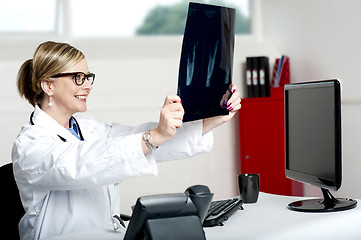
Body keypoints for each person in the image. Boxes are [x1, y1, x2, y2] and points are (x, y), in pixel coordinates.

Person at [12, 41, 241, 239]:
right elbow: (78, 164)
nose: (88, 85)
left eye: (89, 77)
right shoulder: (30, 144)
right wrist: (154, 136)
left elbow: (140, 141)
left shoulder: (90, 128)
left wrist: (212, 118)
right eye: (78, 78)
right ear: (48, 85)